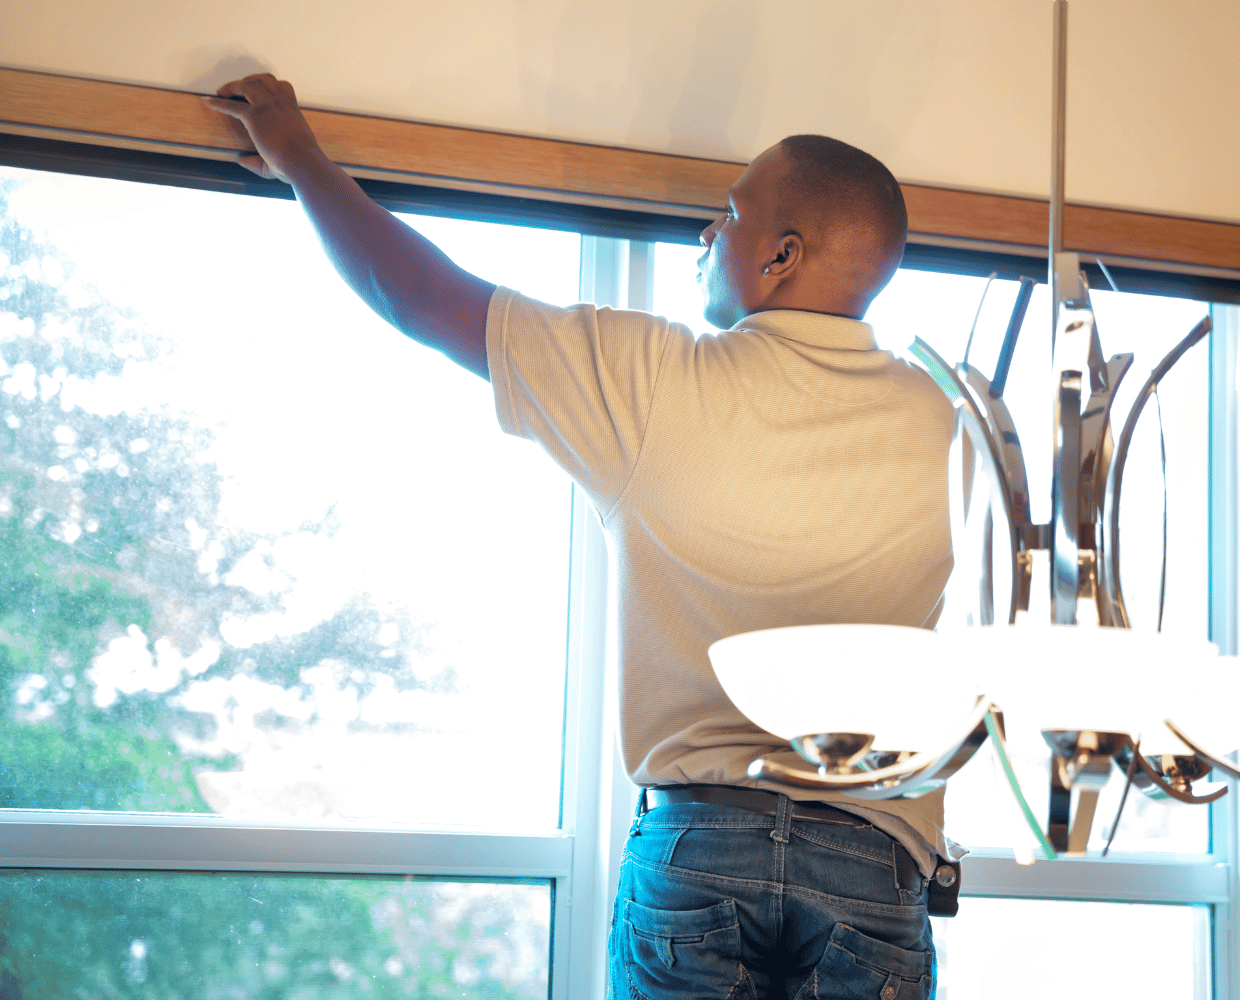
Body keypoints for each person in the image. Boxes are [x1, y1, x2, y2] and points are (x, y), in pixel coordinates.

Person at [207, 74, 957, 1000]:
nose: (708, 234)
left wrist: (299, 157)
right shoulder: (946, 420)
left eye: (729, 215)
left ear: (782, 256)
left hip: (700, 843)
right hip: (875, 860)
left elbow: (425, 302)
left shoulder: (654, 380)